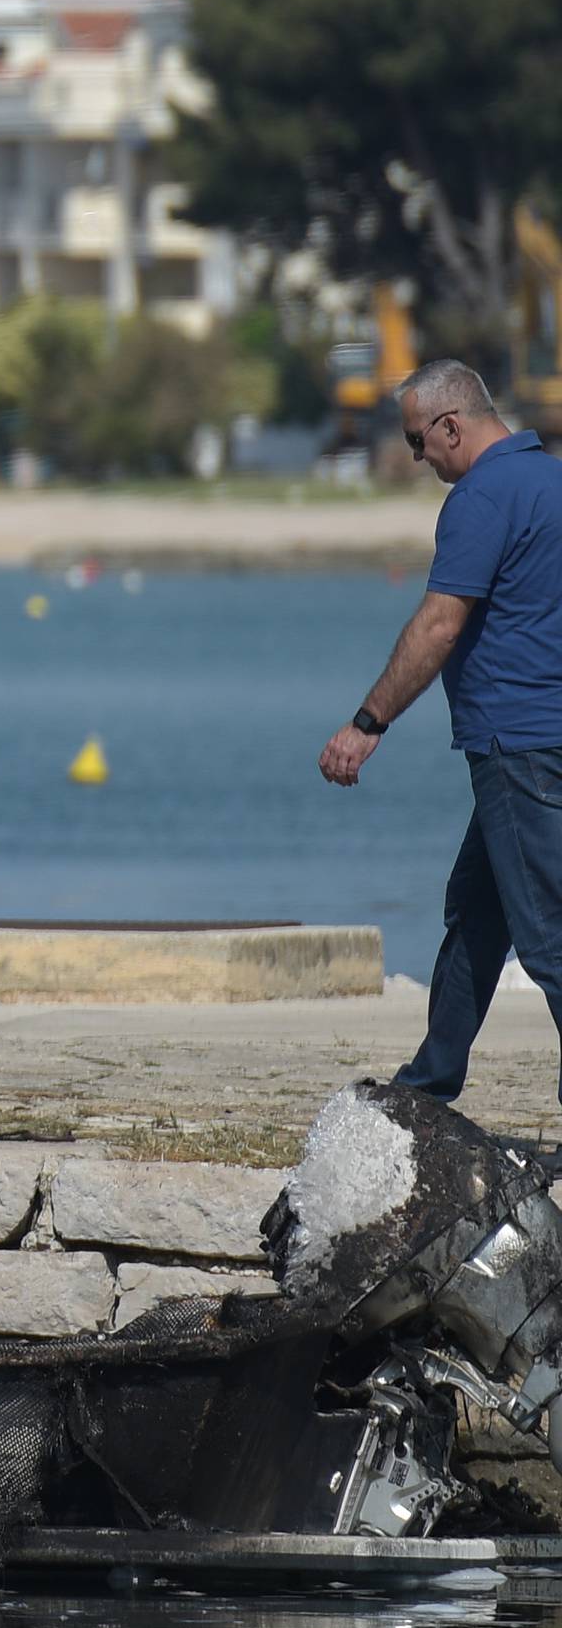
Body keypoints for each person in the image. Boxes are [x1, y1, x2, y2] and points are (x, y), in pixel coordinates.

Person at [318, 358, 562, 1101]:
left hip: (516, 743)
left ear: (452, 425)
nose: (418, 458)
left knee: (548, 936)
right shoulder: (552, 481)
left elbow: (437, 625)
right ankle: (428, 1083)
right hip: (541, 737)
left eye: (419, 442)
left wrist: (367, 724)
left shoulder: (482, 498)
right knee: (478, 914)